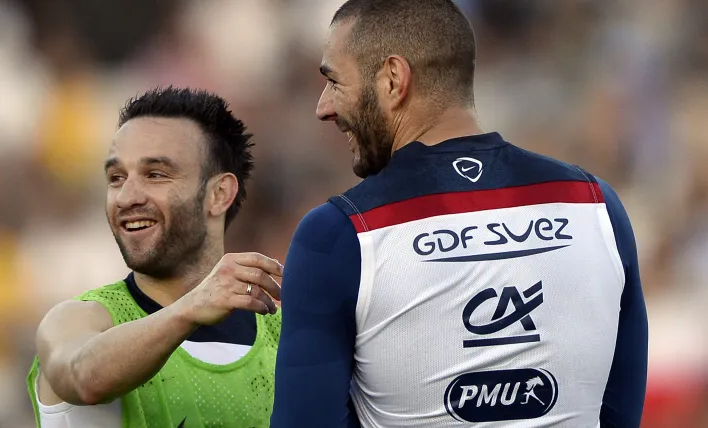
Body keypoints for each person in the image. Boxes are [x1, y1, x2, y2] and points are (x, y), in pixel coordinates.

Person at [270, 1, 648, 427]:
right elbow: (620, 416)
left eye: (335, 82)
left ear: (393, 79)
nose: (324, 108)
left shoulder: (338, 236)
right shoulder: (596, 208)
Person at [26, 86, 283, 428]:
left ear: (219, 194)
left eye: (155, 174)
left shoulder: (285, 334)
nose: (127, 196)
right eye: (116, 178)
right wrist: (190, 307)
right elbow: (83, 378)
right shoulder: (76, 321)